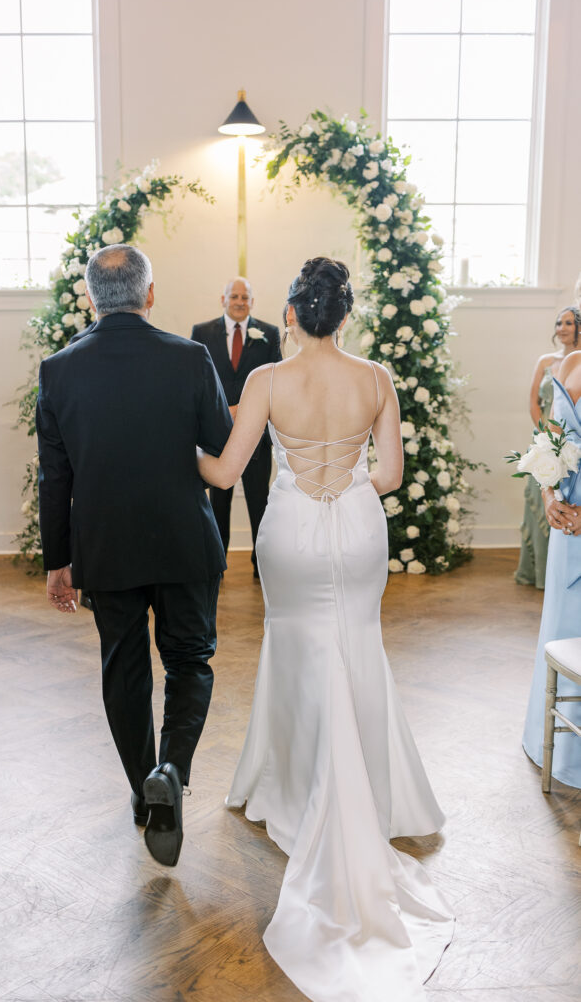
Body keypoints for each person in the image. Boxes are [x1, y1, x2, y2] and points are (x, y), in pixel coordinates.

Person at [197, 258, 454, 1002]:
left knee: (296, 645)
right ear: (344, 315)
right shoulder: (375, 377)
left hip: (291, 534)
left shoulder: (266, 380)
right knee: (356, 644)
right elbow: (392, 473)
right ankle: (369, 792)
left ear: (290, 314)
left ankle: (292, 783)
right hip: (355, 526)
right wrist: (343, 487)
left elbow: (224, 475)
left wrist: (176, 449)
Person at [36, 245, 232, 867]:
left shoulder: (59, 369)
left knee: (123, 668)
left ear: (89, 297)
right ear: (150, 295)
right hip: (182, 541)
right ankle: (171, 771)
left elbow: (54, 478)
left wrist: (58, 561)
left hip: (106, 546)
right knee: (190, 660)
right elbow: (222, 446)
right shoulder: (191, 357)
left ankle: (144, 792)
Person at [191, 278, 281, 577]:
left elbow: (274, 383)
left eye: (245, 296)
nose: (239, 301)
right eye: (234, 296)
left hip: (257, 437)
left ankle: (262, 565)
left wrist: (249, 412)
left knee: (260, 503)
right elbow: (198, 382)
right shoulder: (201, 332)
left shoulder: (269, 333)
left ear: (252, 301)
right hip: (216, 436)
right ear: (223, 299)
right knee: (217, 505)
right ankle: (215, 564)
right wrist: (221, 412)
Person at [522, 347, 581, 788]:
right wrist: (549, 496)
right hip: (566, 523)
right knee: (563, 630)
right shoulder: (572, 361)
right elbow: (550, 440)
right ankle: (552, 742)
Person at [515, 306, 581, 588]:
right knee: (541, 501)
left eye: (568, 322)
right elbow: (533, 401)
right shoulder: (546, 361)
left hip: (572, 441)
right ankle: (540, 573)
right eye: (558, 322)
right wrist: (546, 437)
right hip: (548, 438)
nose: (562, 328)